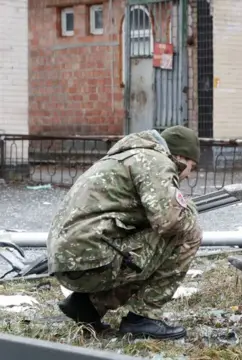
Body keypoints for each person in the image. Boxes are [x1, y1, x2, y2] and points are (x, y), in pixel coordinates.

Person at [46, 125, 203, 340]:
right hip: (91, 258)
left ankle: (88, 305)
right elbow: (169, 222)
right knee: (188, 228)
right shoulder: (156, 161)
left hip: (70, 259)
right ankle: (143, 318)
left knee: (150, 242)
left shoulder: (128, 156)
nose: (187, 175)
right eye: (191, 167)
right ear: (182, 157)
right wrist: (186, 208)